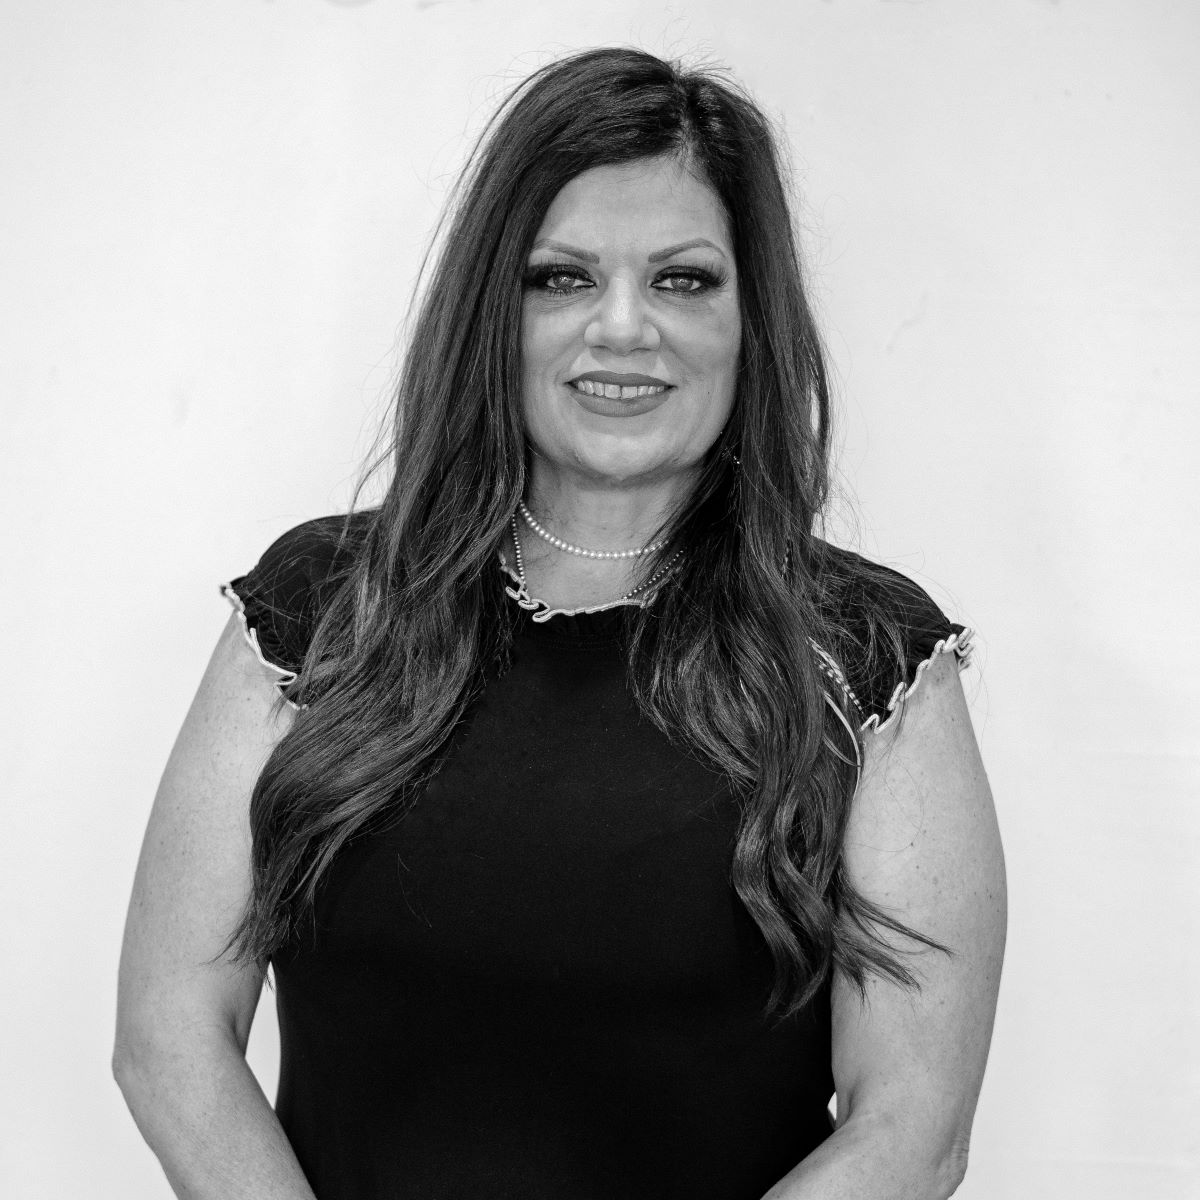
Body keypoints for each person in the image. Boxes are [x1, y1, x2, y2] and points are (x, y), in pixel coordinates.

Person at [114, 46, 1005, 1200]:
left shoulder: (870, 660)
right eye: (562, 277)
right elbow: (169, 1036)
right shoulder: (320, 611)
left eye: (683, 279)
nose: (623, 327)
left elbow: (911, 1131)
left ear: (752, 318)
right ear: (498, 310)